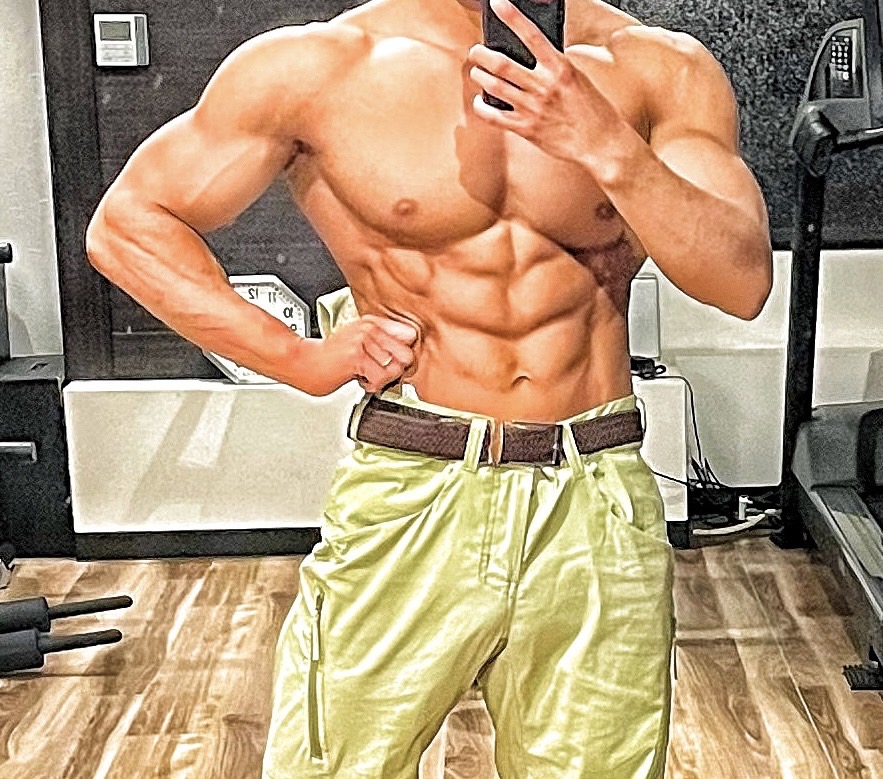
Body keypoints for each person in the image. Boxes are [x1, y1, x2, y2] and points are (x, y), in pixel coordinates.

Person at [85, 0, 772, 775]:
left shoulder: (658, 69)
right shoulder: (321, 66)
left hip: (595, 495)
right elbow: (128, 226)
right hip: (413, 487)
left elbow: (741, 281)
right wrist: (296, 358)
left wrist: (609, 148)